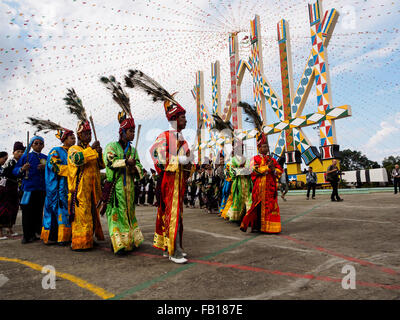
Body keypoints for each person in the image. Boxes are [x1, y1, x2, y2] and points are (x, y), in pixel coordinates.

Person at [147, 92, 193, 264]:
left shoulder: (181, 138)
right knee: (172, 214)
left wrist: (189, 161)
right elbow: (156, 154)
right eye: (183, 117)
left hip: (179, 182)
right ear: (175, 119)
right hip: (169, 181)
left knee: (176, 215)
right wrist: (178, 159)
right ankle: (175, 251)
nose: (186, 120)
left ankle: (171, 246)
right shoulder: (165, 135)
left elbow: (187, 162)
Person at [103, 111, 144, 255]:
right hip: (116, 188)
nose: (132, 133)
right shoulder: (111, 146)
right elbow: (109, 161)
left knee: (128, 214)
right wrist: (126, 162)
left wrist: (134, 168)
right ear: (122, 132)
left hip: (129, 189)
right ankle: (119, 244)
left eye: (134, 131)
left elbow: (140, 168)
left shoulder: (133, 150)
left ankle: (130, 241)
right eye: (130, 131)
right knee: (116, 215)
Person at [67, 119, 105, 251]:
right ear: (79, 135)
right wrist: (92, 150)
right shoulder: (73, 149)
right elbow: (77, 160)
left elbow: (101, 165)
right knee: (82, 216)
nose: (89, 136)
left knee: (92, 215)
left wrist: (99, 153)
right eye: (86, 133)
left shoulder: (90, 149)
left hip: (92, 189)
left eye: (90, 133)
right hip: (80, 189)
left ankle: (89, 239)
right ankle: (80, 242)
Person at [240, 134, 283, 234]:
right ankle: (256, 227)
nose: (266, 148)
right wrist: (267, 168)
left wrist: (274, 169)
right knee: (257, 207)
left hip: (270, 188)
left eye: (267, 146)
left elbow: (279, 171)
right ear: (259, 148)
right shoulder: (254, 159)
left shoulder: (272, 160)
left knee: (271, 207)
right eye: (264, 146)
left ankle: (270, 227)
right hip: (259, 188)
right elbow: (253, 171)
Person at [41, 128, 76, 245]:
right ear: (64, 139)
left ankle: (66, 236)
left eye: (74, 138)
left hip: (69, 188)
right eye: (72, 138)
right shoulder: (55, 151)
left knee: (68, 212)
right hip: (57, 188)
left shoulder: (73, 152)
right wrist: (71, 170)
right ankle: (54, 237)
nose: (74, 140)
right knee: (56, 212)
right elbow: (53, 165)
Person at [13, 136, 47, 244]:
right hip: (28, 189)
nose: (38, 145)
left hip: (41, 189)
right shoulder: (25, 157)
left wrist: (45, 168)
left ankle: (36, 233)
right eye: (36, 143)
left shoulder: (46, 157)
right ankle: (27, 235)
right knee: (27, 212)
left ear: (43, 145)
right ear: (31, 145)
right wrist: (22, 169)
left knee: (38, 212)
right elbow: (15, 170)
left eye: (40, 143)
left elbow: (53, 171)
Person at [222, 138, 252, 223]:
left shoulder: (247, 159)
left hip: (247, 184)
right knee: (238, 201)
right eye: (239, 148)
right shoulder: (232, 160)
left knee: (249, 201)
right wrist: (243, 170)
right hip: (238, 185)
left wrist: (242, 170)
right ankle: (238, 217)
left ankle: (248, 218)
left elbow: (250, 170)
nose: (241, 150)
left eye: (242, 148)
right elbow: (232, 172)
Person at [0, 143, 25, 239]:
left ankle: (9, 229)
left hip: (14, 188)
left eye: (22, 152)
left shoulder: (20, 162)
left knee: (13, 208)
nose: (20, 154)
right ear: (13, 152)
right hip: (5, 188)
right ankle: (1, 232)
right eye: (18, 151)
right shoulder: (11, 162)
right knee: (3, 209)